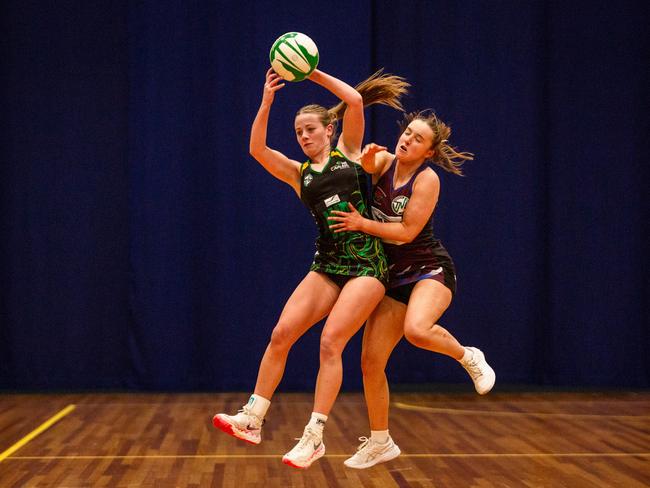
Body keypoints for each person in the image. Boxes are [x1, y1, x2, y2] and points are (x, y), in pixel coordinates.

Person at [212, 67, 409, 469]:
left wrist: (310, 72)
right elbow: (257, 150)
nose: (303, 137)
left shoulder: (350, 154)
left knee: (330, 343)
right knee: (281, 333)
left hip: (367, 265)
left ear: (328, 130)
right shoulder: (298, 174)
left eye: (309, 130)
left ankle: (314, 435)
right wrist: (267, 102)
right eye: (298, 131)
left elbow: (354, 100)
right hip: (328, 264)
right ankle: (252, 418)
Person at [327, 110, 496, 469]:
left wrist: (361, 222)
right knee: (371, 364)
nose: (407, 139)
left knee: (417, 330)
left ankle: (468, 357)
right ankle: (380, 441)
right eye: (407, 132)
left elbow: (406, 232)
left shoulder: (428, 179)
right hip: (392, 276)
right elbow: (357, 165)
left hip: (428, 270)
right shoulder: (386, 160)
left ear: (429, 152)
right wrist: (367, 161)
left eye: (418, 138)